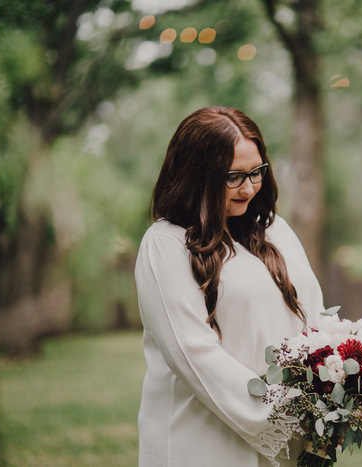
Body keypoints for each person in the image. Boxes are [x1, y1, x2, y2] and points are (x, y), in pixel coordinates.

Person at [134, 106, 325, 466]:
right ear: (198, 176)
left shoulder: (275, 229)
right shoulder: (166, 243)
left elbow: (314, 316)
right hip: (203, 438)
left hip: (288, 439)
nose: (250, 187)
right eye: (234, 176)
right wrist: (285, 413)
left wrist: (331, 395)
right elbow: (193, 353)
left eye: (257, 172)